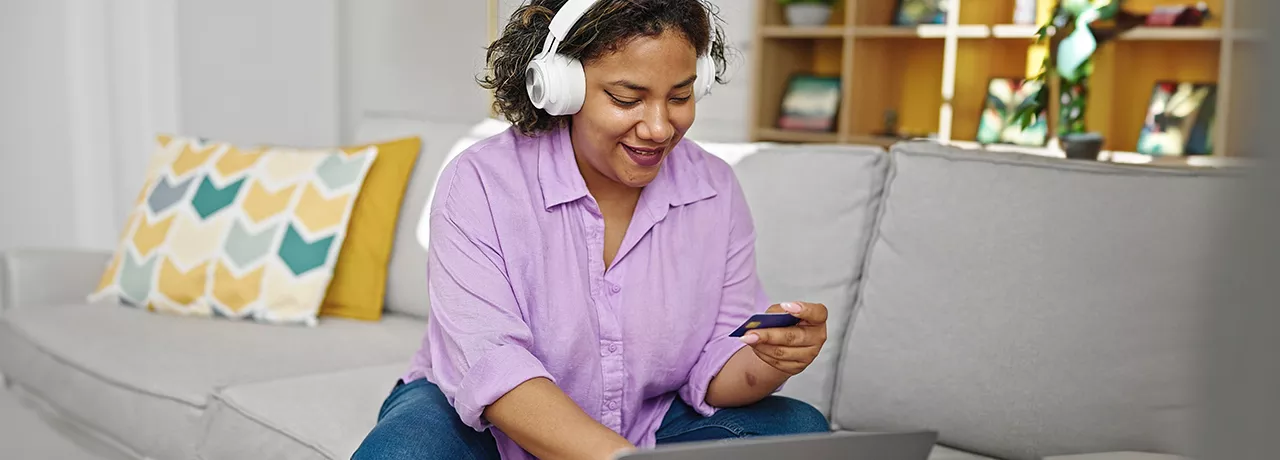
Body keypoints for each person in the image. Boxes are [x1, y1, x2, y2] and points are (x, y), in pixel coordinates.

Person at [353, 1, 830, 459]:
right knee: (404, 451)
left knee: (797, 429)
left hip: (649, 423)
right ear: (562, 88)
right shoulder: (479, 182)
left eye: (680, 96)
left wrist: (769, 360)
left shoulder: (714, 189)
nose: (660, 128)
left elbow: (717, 369)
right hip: (487, 425)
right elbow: (491, 369)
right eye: (627, 99)